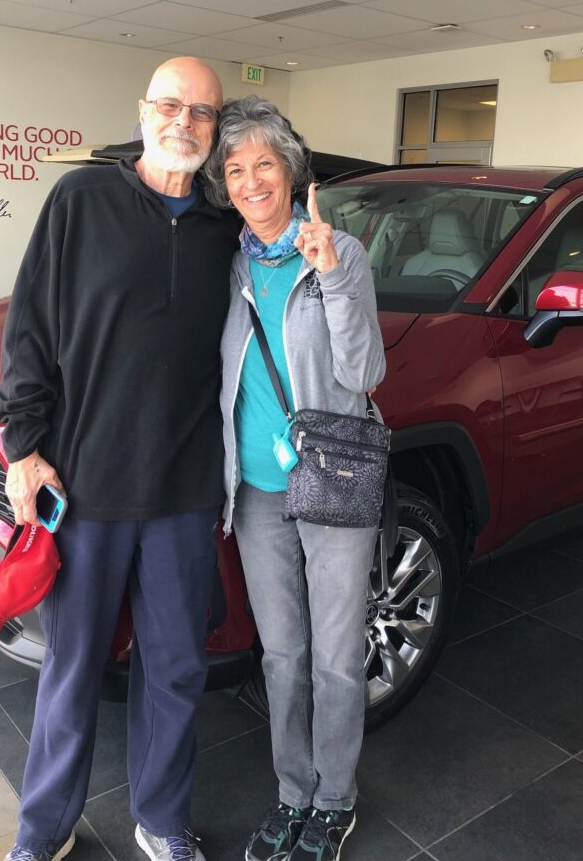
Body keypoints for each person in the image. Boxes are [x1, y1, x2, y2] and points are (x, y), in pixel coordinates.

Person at [0, 57, 241, 861]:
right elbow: (29, 327)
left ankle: (163, 821)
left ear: (215, 126)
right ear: (142, 112)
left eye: (202, 112)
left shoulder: (223, 225)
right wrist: (25, 447)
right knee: (69, 673)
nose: (185, 122)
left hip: (183, 488)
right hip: (86, 482)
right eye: (171, 105)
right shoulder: (81, 199)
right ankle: (43, 831)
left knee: (174, 671)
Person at [204, 97, 386, 861]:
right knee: (280, 655)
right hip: (254, 494)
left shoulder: (338, 252)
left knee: (337, 656)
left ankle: (335, 800)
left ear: (290, 170)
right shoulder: (231, 263)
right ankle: (292, 793)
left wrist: (334, 277)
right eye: (236, 169)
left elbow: (366, 372)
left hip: (333, 480)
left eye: (264, 165)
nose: (250, 182)